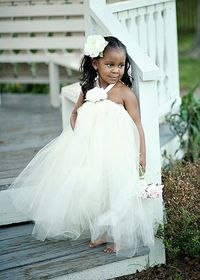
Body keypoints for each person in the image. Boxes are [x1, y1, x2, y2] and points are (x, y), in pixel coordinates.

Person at [8, 35, 156, 257]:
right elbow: (75, 112)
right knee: (94, 190)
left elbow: (137, 124)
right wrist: (80, 134)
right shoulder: (88, 87)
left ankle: (121, 238)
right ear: (95, 64)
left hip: (117, 151)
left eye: (121, 65)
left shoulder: (124, 92)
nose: (117, 70)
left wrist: (141, 153)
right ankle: (102, 231)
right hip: (91, 149)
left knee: (116, 190)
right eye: (110, 64)